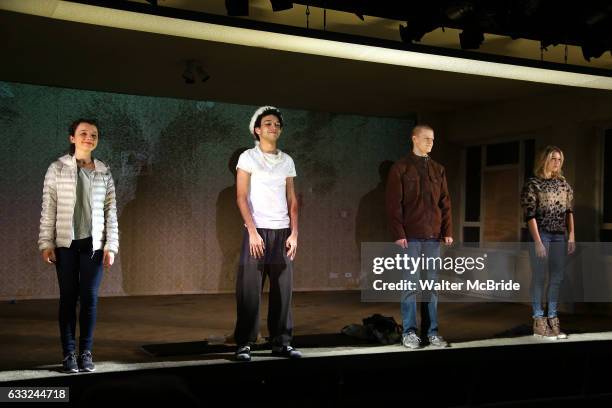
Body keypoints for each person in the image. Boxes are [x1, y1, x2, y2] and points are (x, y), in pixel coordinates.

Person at [38, 119, 119, 373]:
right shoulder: (57, 168)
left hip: (93, 245)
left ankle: (86, 352)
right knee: (68, 299)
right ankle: (68, 354)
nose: (89, 137)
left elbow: (110, 211)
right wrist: (46, 242)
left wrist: (111, 245)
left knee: (90, 299)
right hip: (65, 244)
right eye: (83, 133)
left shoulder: (104, 171)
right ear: (72, 138)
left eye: (93, 134)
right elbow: (48, 208)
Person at [233, 106, 301, 361]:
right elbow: (241, 197)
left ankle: (281, 342)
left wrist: (294, 233)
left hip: (282, 232)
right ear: (257, 130)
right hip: (257, 230)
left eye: (277, 124)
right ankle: (245, 343)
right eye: (268, 123)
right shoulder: (248, 157)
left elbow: (292, 200)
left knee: (283, 290)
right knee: (250, 290)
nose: (274, 127)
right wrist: (252, 231)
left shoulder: (287, 161)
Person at [385, 124, 452, 349]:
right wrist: (399, 233)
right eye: (426, 139)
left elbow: (445, 203)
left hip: (432, 236)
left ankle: (432, 332)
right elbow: (393, 204)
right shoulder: (401, 168)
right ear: (414, 139)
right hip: (411, 237)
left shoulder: (438, 169)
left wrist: (447, 231)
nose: (430, 143)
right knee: (410, 285)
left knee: (431, 286)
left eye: (432, 140)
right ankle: (409, 332)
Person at [521, 145, 574, 340]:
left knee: (557, 277)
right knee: (539, 277)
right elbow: (530, 214)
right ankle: (538, 319)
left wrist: (572, 235)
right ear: (545, 160)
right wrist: (537, 241)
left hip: (560, 235)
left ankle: (552, 317)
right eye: (553, 158)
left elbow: (569, 212)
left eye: (559, 160)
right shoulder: (533, 184)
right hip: (541, 234)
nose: (557, 163)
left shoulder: (564, 185)